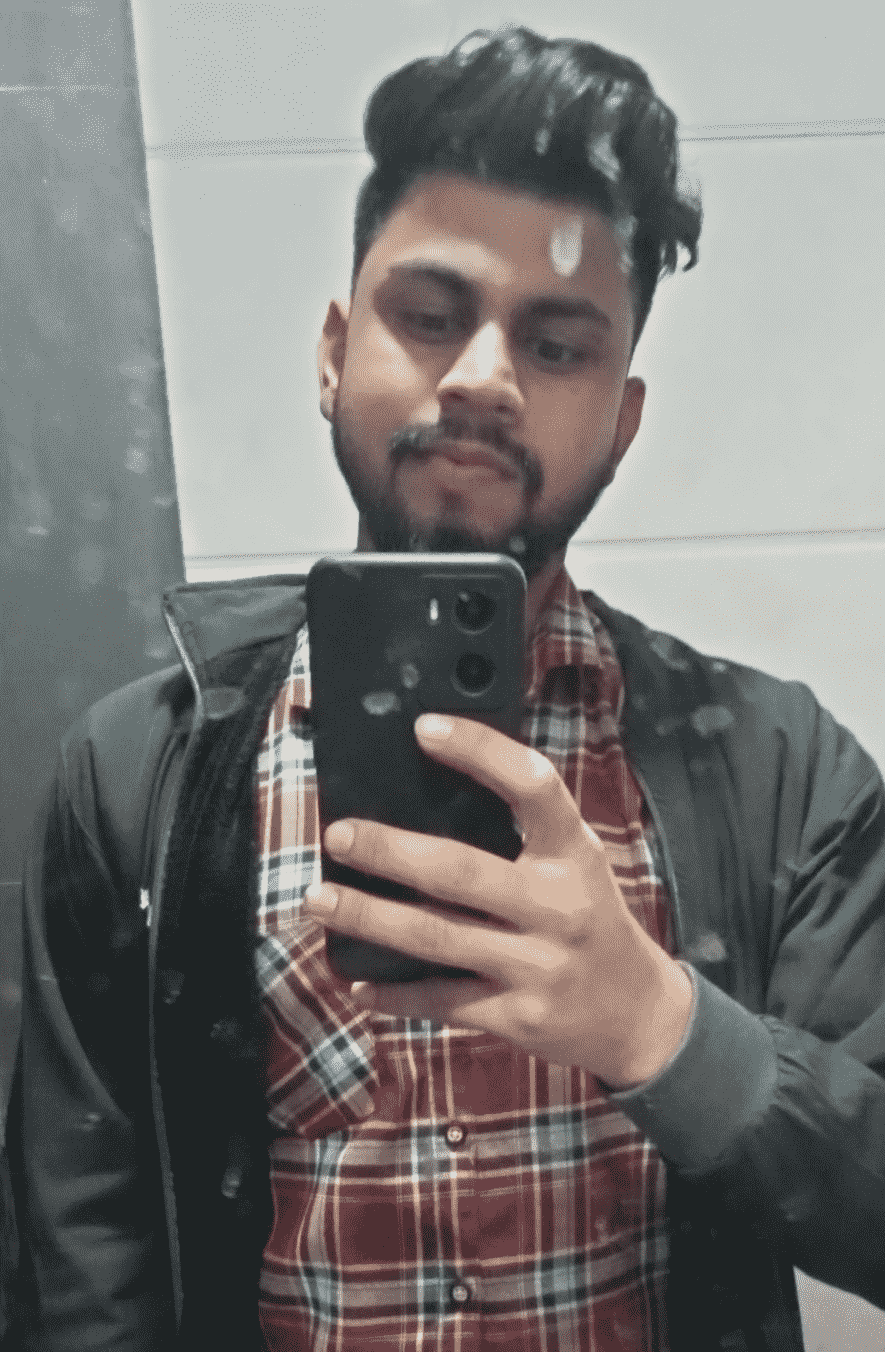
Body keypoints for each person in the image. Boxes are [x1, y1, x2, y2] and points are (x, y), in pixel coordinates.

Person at [3, 23, 885, 1352]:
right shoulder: (142, 776)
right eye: (428, 315)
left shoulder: (784, 772)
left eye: (558, 344)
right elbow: (84, 1255)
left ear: (623, 422)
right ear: (331, 353)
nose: (481, 378)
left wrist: (660, 1026)